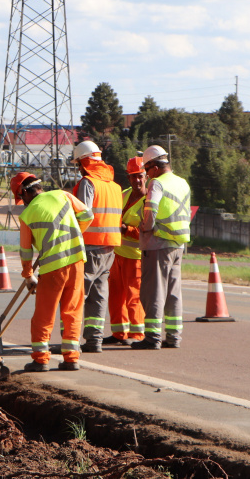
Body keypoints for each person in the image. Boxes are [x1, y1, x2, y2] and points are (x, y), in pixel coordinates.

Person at [11, 171, 93, 372]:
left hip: (52, 268)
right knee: (72, 311)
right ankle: (71, 358)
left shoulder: (27, 214)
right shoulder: (62, 195)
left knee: (44, 314)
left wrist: (28, 274)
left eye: (21, 198)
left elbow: (25, 250)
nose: (23, 202)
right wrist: (73, 233)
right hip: (76, 261)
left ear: (25, 193)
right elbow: (88, 215)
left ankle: (40, 359)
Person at [132, 145, 191, 350]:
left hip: (157, 243)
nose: (146, 175)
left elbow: (150, 213)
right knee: (173, 293)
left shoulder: (157, 183)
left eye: (146, 170)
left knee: (153, 291)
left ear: (154, 167)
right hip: (178, 243)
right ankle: (174, 337)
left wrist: (143, 226)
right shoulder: (182, 182)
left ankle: (152, 337)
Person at [71, 140, 122, 353]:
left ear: (84, 162)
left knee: (77, 294)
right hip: (110, 247)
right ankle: (94, 341)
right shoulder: (114, 186)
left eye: (78, 164)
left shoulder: (88, 183)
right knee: (99, 295)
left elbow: (84, 214)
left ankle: (71, 341)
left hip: (90, 246)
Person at [104, 156, 147, 346]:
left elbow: (149, 231)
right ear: (128, 178)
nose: (137, 180)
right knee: (115, 295)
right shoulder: (124, 194)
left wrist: (126, 229)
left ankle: (137, 334)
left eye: (140, 176)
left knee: (133, 297)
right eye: (133, 177)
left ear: (146, 176)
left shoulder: (149, 200)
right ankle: (119, 333)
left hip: (135, 258)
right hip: (117, 255)